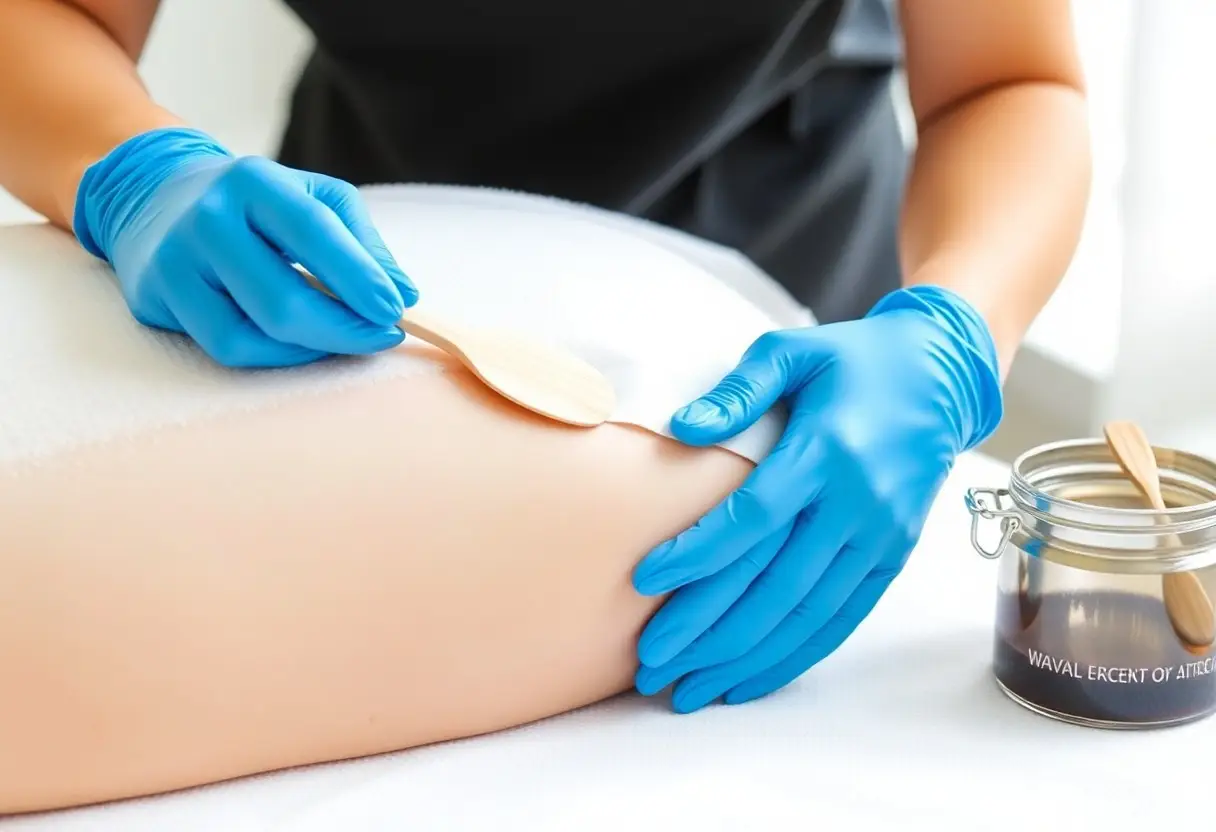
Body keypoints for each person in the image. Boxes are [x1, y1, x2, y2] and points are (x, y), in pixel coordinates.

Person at [0, 0, 1090, 729]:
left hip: (792, 309)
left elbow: (1008, 82)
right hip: (360, 279)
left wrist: (953, 329)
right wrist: (128, 161)